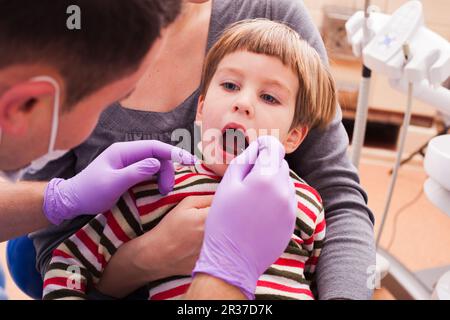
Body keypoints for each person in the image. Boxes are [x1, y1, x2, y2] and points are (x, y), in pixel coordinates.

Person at [26, 0, 375, 300]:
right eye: (230, 85)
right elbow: (65, 260)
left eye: (269, 96)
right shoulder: (154, 193)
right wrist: (149, 256)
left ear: (294, 136)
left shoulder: (307, 204)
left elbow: (339, 209)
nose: (243, 103)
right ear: (201, 108)